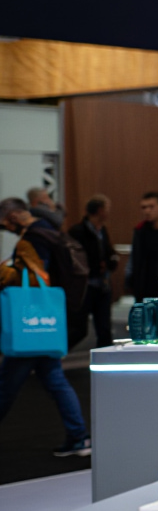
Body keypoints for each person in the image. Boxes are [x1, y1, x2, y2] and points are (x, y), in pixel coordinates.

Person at [0, 198, 91, 457]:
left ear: (13, 217)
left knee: (6, 385)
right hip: (47, 323)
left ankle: (79, 436)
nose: (6, 229)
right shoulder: (51, 231)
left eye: (5, 224)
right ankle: (79, 437)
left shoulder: (31, 239)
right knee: (55, 380)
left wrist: (4, 273)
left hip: (28, 325)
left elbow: (37, 276)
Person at [69, 195, 118, 348]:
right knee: (78, 327)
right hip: (86, 286)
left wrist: (111, 262)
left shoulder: (102, 230)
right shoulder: (77, 231)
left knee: (104, 327)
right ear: (100, 210)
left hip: (102, 285)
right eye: (107, 209)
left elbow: (108, 252)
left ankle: (106, 356)